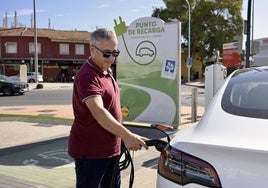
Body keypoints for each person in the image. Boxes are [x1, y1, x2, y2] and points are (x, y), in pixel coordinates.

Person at [68, 28, 148, 188]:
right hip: (91, 153)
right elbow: (98, 112)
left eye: (115, 53)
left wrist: (125, 137)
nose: (111, 58)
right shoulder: (87, 75)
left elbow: (112, 108)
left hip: (111, 150)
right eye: (106, 53)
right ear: (92, 49)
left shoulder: (106, 71)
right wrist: (127, 135)